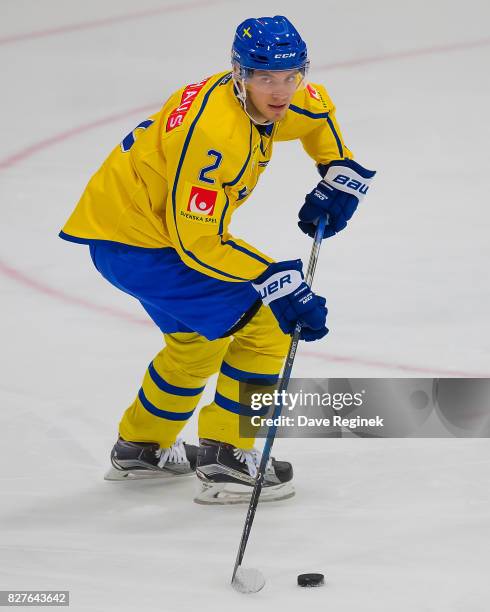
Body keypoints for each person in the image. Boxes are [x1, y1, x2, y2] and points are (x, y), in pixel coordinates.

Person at [59, 16, 375, 504]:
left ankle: (141, 447)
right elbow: (197, 242)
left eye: (292, 75)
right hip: (142, 244)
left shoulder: (274, 97)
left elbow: (318, 113)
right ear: (239, 74)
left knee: (195, 345)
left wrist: (337, 168)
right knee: (268, 323)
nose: (281, 91)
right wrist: (278, 280)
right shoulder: (213, 135)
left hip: (126, 234)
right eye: (266, 78)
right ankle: (227, 454)